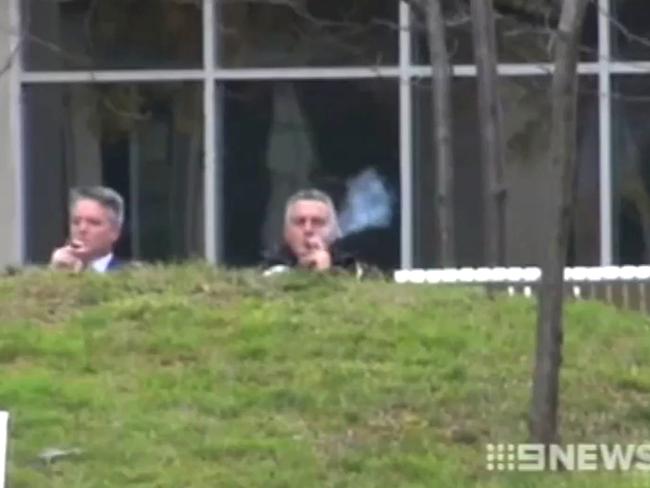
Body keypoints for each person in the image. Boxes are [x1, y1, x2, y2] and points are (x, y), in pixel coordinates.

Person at [262, 189, 366, 277]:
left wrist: (327, 271)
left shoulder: (358, 273)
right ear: (286, 231)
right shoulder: (267, 274)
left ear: (335, 231)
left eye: (317, 222)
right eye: (299, 222)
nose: (308, 229)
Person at [49, 186, 126, 273]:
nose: (82, 229)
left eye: (93, 223)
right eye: (76, 222)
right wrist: (56, 273)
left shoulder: (128, 275)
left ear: (115, 232)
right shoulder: (58, 269)